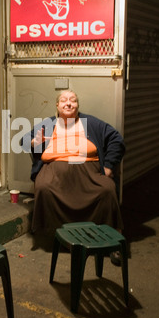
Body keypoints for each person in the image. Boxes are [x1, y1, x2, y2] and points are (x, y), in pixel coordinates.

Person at [22, 90, 125, 265]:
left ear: (77, 105)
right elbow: (24, 141)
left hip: (88, 170)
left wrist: (108, 165)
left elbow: (117, 139)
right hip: (55, 170)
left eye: (73, 100)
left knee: (107, 189)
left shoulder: (91, 123)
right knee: (44, 188)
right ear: (57, 105)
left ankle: (113, 240)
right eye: (64, 100)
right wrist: (35, 142)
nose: (68, 103)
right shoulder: (49, 123)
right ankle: (62, 236)